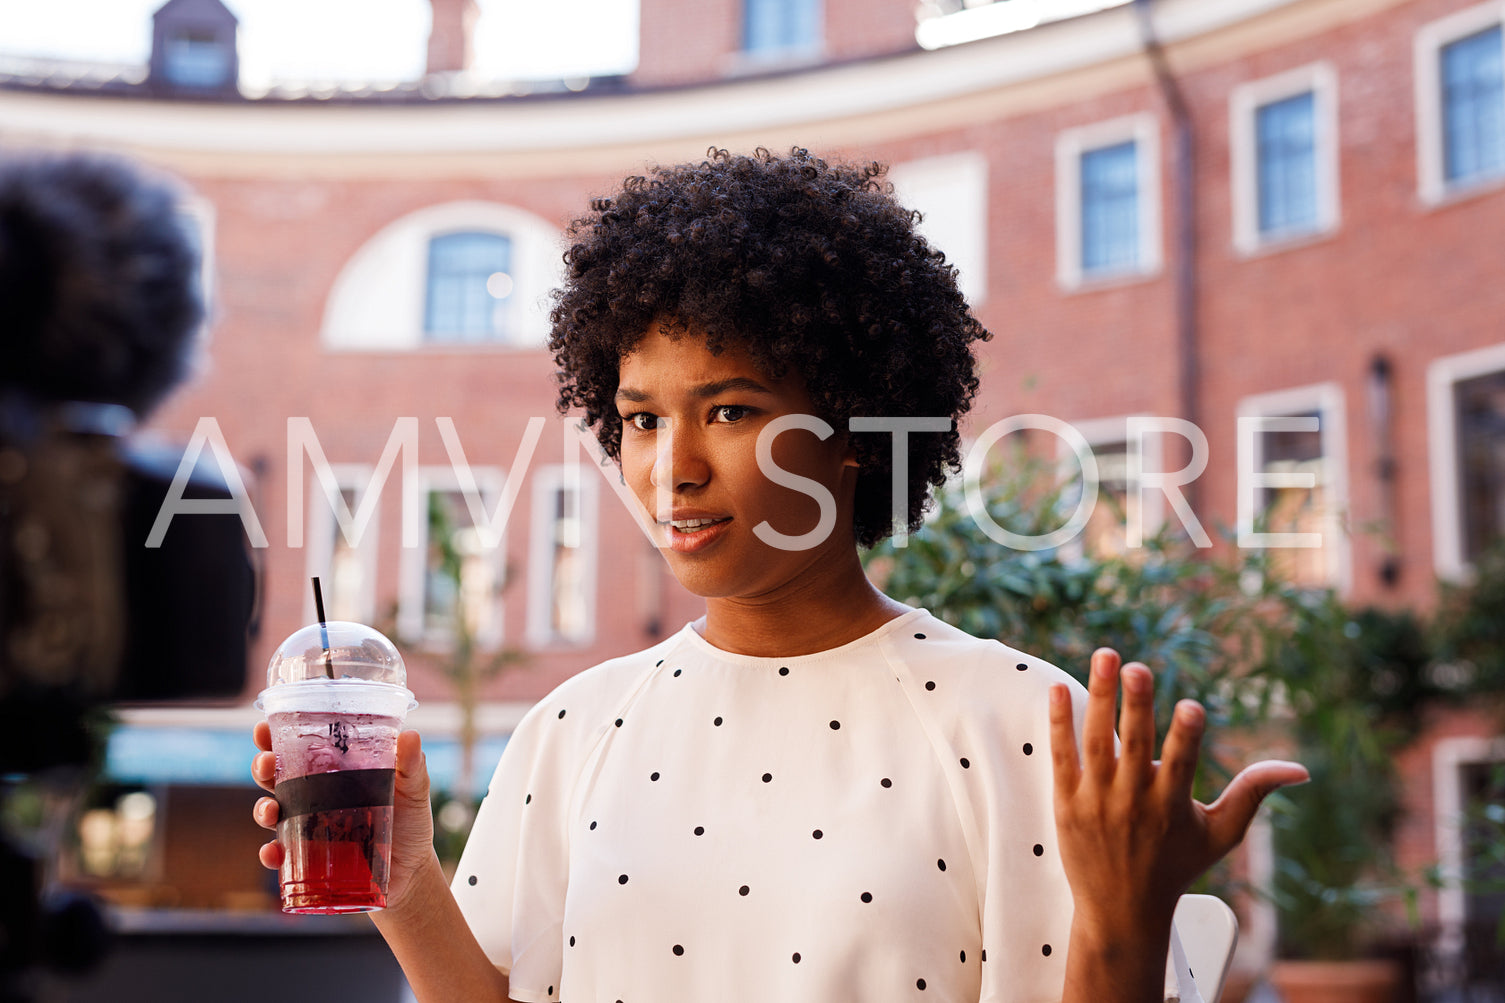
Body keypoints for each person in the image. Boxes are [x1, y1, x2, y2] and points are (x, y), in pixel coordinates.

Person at [252, 147, 1306, 1003]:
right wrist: (404, 878)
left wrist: (1126, 923)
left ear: (851, 431)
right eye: (640, 419)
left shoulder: (1026, 725)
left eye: (730, 410)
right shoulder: (572, 730)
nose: (672, 468)